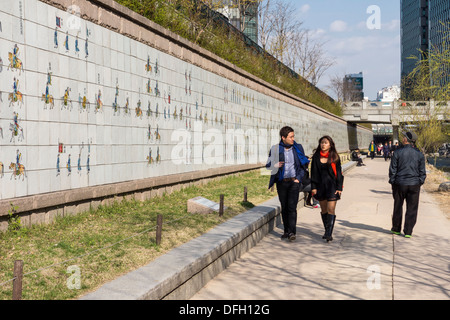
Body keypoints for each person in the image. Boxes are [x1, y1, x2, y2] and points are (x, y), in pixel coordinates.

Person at [267, 126, 310, 241]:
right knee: (284, 207)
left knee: (292, 207)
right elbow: (268, 165)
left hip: (294, 182)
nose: (293, 139)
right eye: (291, 137)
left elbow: (303, 165)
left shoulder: (298, 148)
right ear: (283, 137)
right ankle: (286, 231)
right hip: (281, 183)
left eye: (293, 136)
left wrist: (298, 179)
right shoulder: (275, 149)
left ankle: (292, 232)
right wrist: (274, 165)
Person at [389, 131, 426, 238]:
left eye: (404, 137)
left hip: (400, 184)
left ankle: (396, 229)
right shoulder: (419, 154)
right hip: (414, 184)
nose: (402, 138)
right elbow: (422, 171)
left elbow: (392, 170)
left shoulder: (397, 152)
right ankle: (408, 231)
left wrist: (393, 182)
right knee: (412, 208)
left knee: (397, 207)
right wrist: (419, 182)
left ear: (406, 140)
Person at [311, 136, 344, 242]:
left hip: (332, 187)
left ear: (330, 145)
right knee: (324, 210)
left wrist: (339, 187)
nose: (323, 144)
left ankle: (329, 234)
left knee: (331, 209)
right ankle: (326, 230)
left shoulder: (334, 156)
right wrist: (313, 187)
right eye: (321, 142)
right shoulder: (316, 157)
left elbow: (339, 173)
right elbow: (313, 173)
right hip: (320, 187)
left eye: (325, 142)